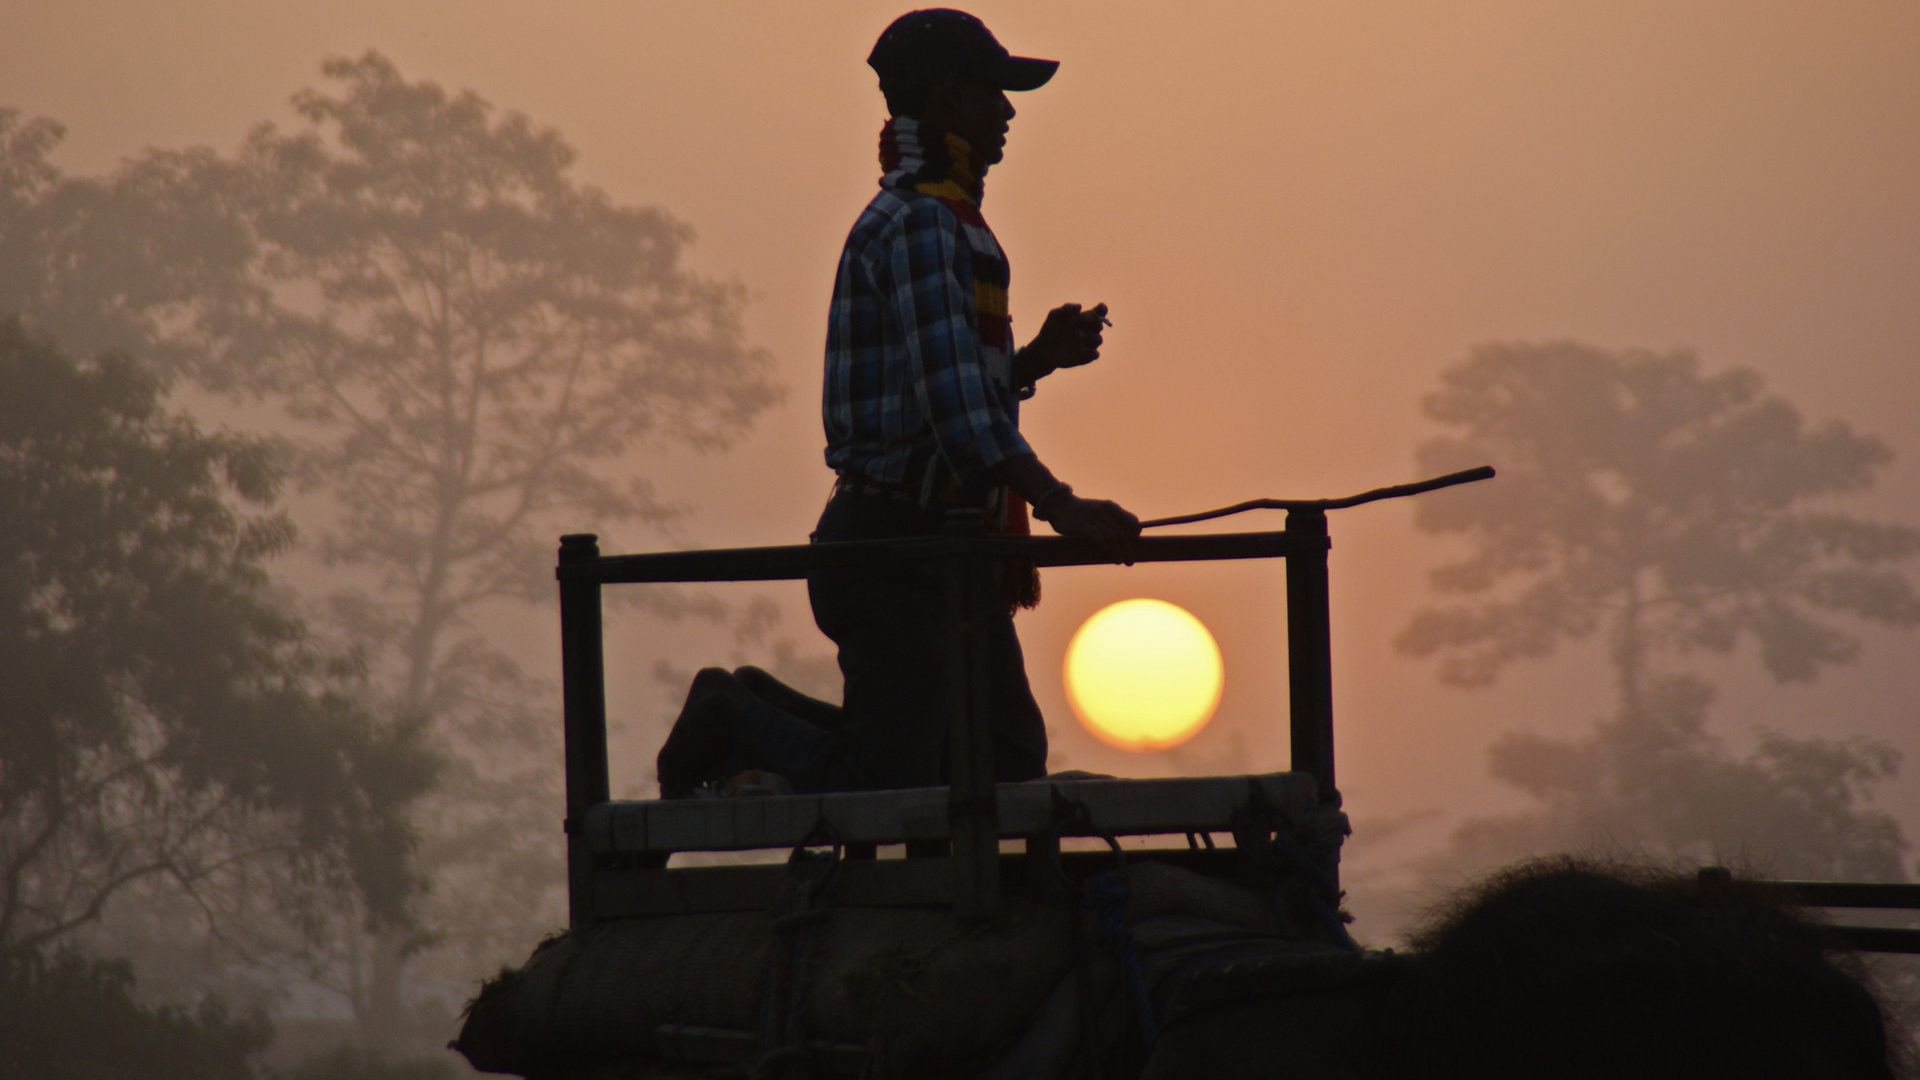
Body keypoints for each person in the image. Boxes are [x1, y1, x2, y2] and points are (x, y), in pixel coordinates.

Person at [657, 9, 1140, 798]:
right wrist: (1057, 503)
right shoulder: (921, 225)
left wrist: (1028, 365)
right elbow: (955, 414)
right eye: (994, 92)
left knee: (1006, 761)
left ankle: (755, 708)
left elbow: (940, 394)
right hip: (892, 549)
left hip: (940, 546)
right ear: (949, 98)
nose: (1009, 111)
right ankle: (727, 710)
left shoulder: (941, 220)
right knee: (888, 783)